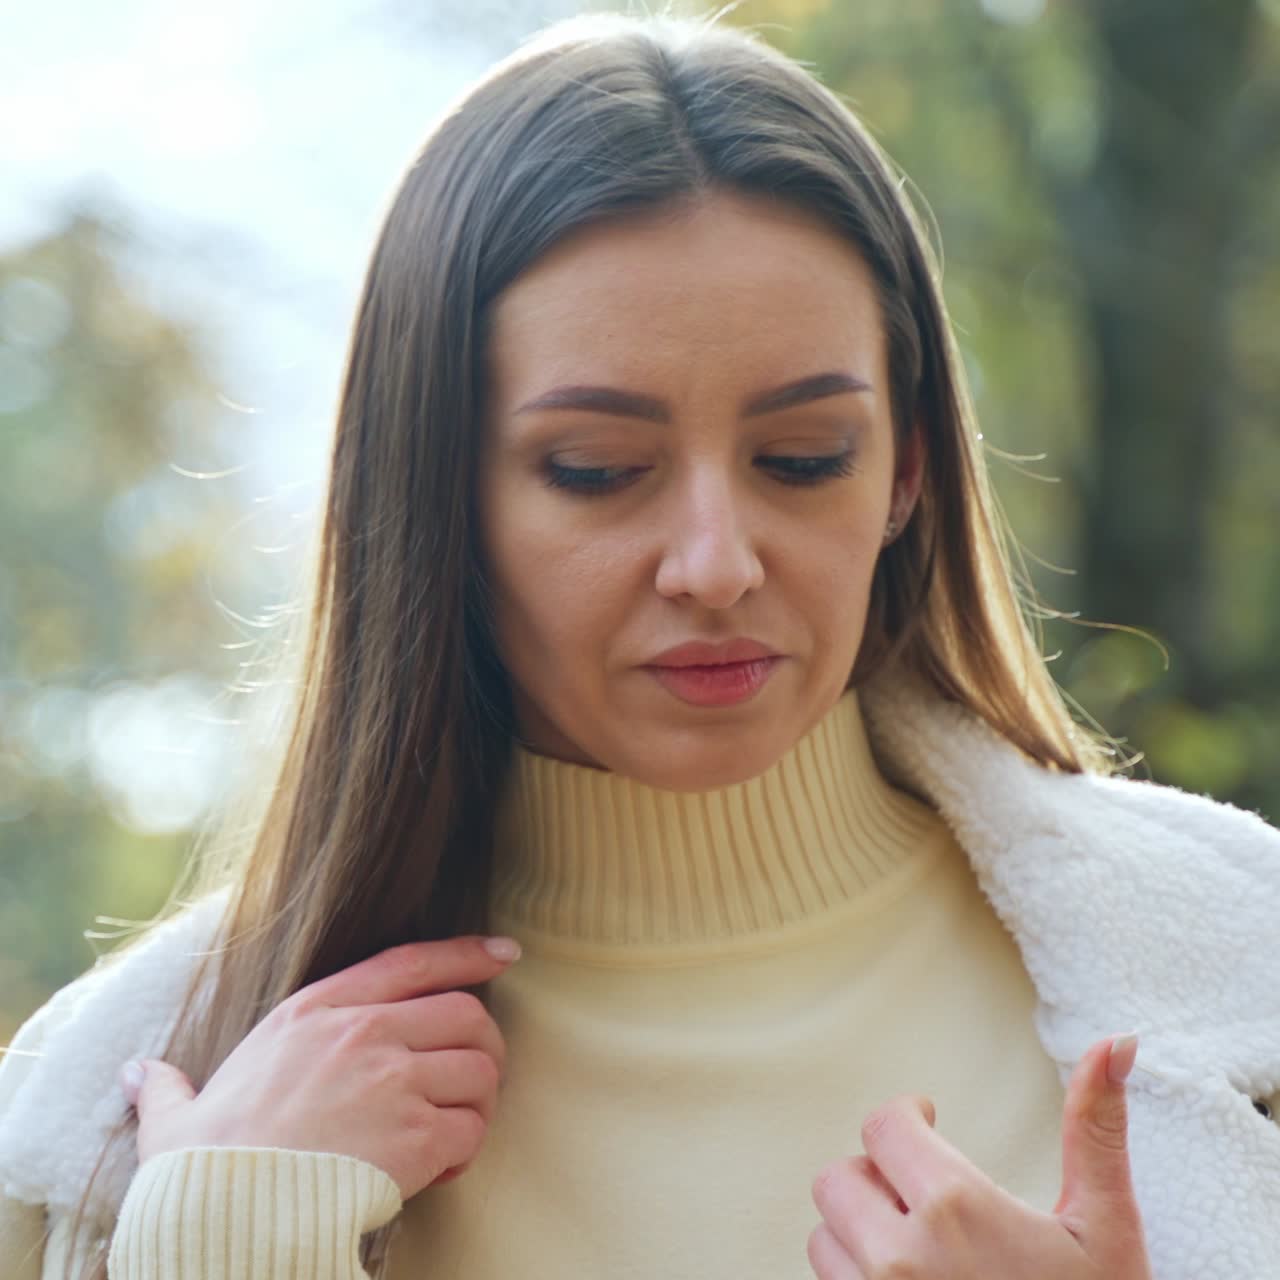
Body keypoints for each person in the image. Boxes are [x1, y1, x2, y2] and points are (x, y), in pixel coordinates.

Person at [2, 11, 1279, 1280]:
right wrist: (219, 1244)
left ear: (906, 469)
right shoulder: (111, 1116)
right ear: (438, 499)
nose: (715, 563)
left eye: (802, 457)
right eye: (596, 469)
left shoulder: (1242, 967)